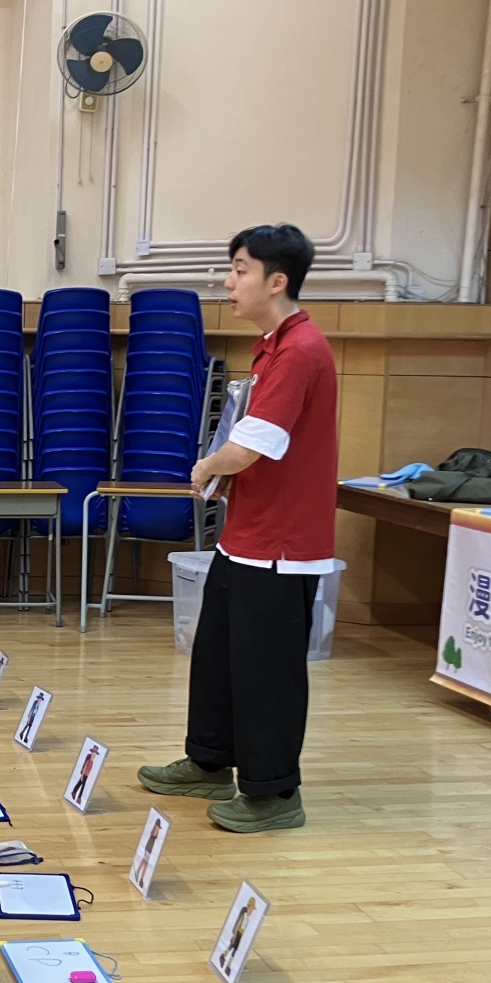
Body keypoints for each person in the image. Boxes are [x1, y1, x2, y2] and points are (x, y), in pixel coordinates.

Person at [138, 223, 336, 834]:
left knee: (267, 670)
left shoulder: (300, 350)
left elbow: (252, 447)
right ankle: (209, 761)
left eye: (240, 270)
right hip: (246, 536)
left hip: (282, 545)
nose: (228, 282)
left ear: (277, 281)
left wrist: (206, 466)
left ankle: (275, 794)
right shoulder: (273, 346)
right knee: (218, 655)